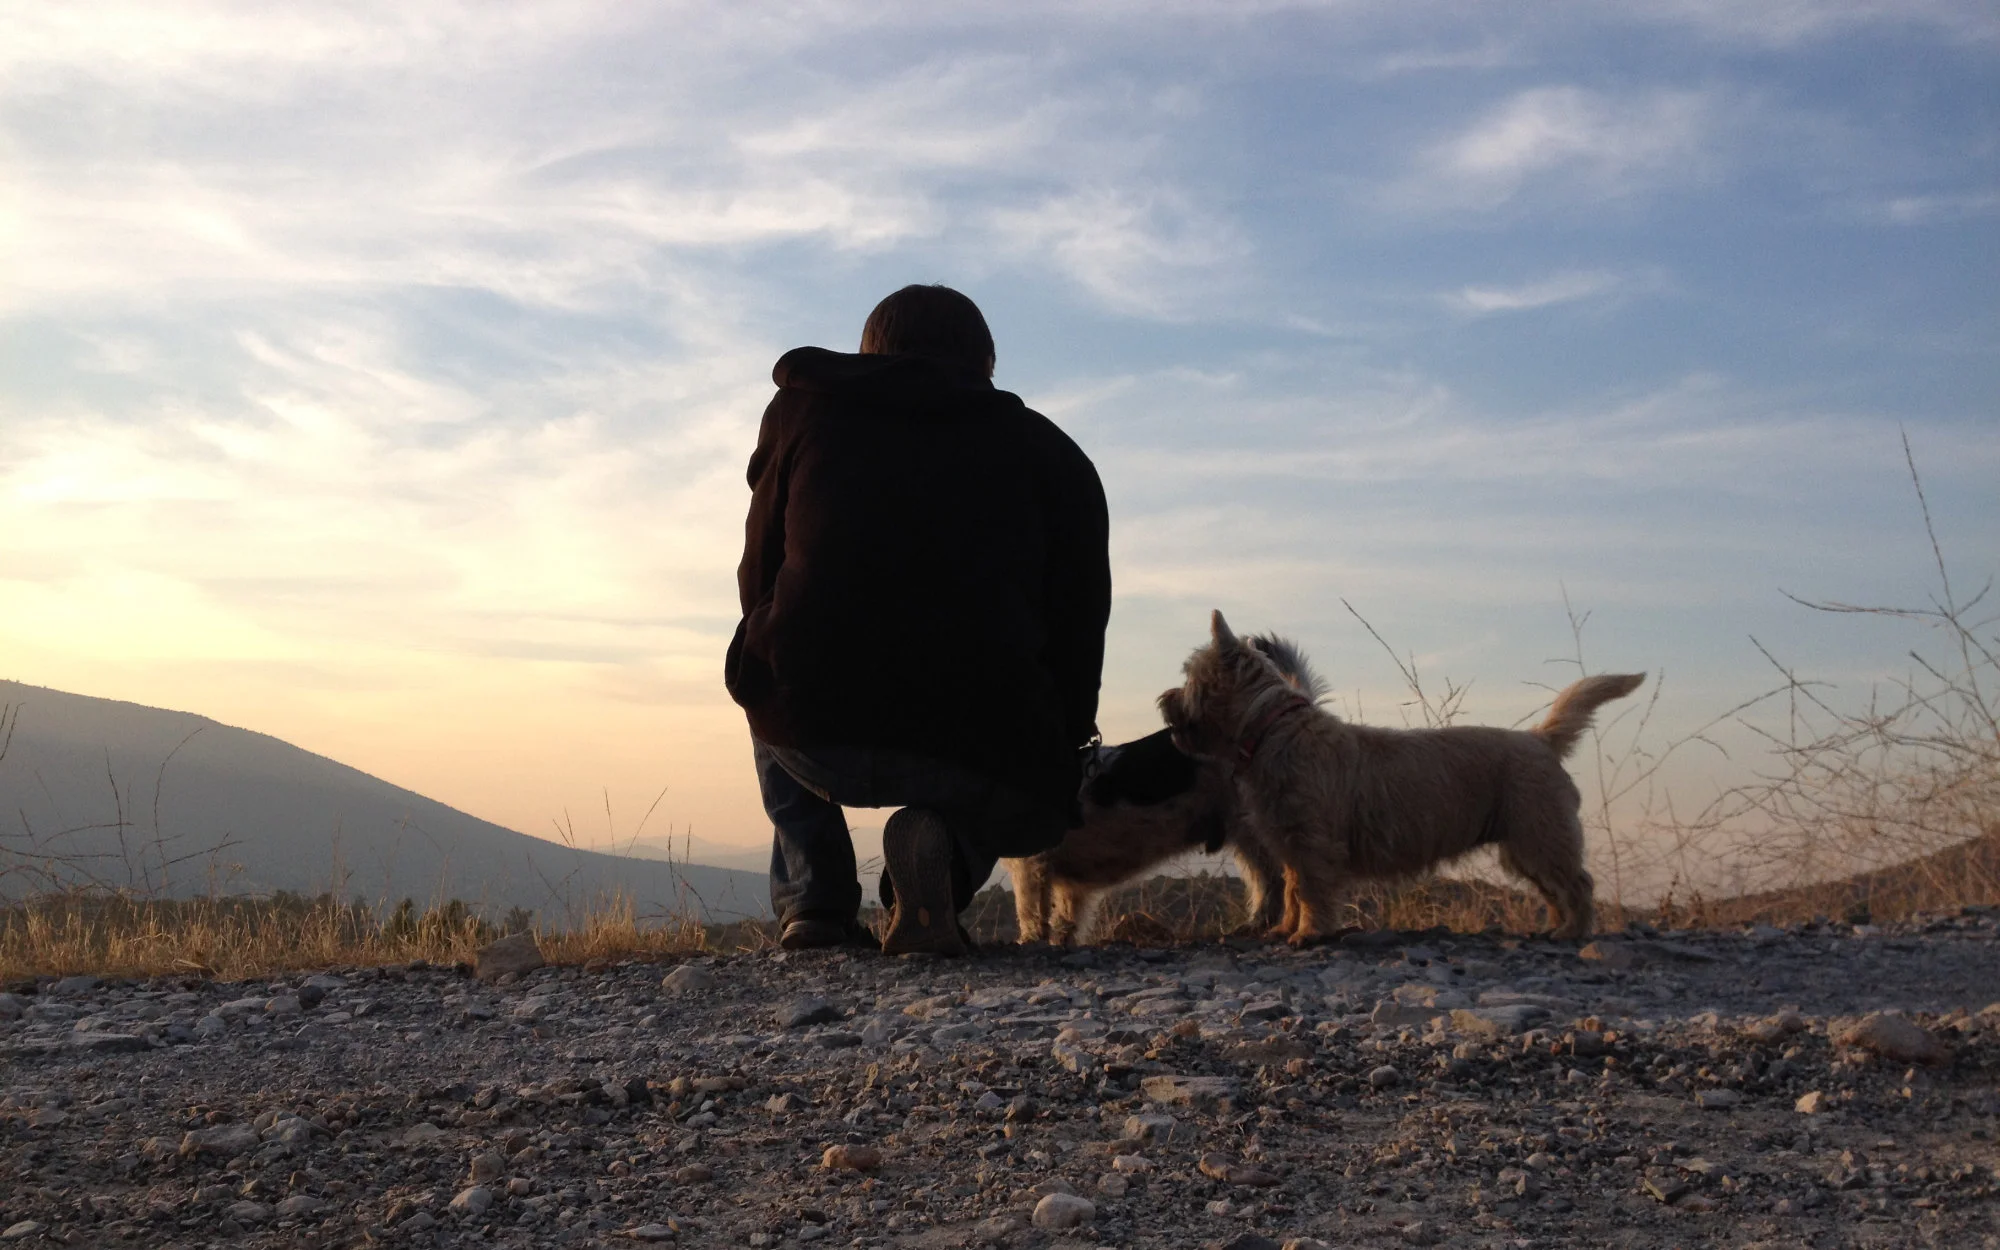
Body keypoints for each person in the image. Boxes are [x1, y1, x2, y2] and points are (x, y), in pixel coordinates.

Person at [725, 284, 1111, 954]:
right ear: (986, 363)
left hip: (814, 727)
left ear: (870, 353)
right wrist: (1063, 751)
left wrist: (763, 655)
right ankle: (942, 859)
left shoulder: (801, 415)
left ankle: (813, 904)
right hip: (979, 742)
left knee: (770, 657)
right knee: (1020, 777)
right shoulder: (1053, 455)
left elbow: (759, 571)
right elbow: (1079, 625)